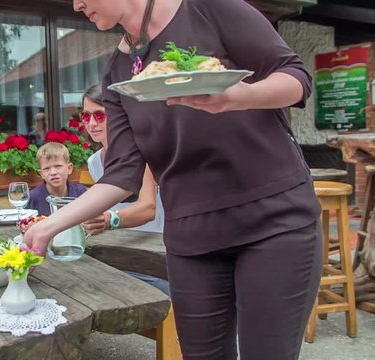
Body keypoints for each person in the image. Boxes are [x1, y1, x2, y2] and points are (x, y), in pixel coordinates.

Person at [24, 1, 322, 359]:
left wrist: (238, 97)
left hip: (273, 220)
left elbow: (296, 77)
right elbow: (121, 173)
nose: (75, 4)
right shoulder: (117, 73)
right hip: (191, 237)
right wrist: (49, 226)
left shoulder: (208, 8)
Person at [80, 83, 169, 294]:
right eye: (86, 117)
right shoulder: (94, 162)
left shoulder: (142, 153)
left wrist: (108, 220)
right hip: (119, 251)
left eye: (99, 116)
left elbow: (148, 208)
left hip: (155, 257)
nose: (92, 123)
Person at [27, 142, 87, 215]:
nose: (53, 172)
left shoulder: (81, 193)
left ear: (69, 168)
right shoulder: (33, 198)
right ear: (41, 173)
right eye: (47, 168)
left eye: (58, 166)